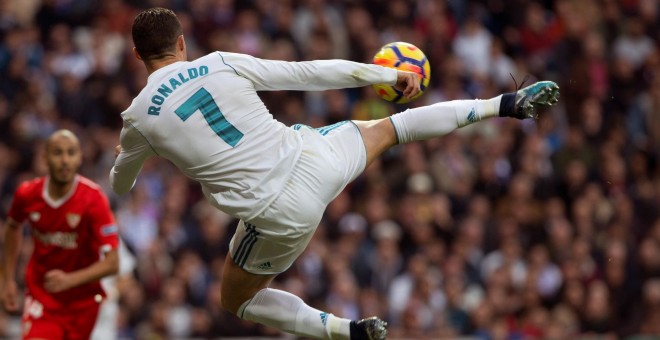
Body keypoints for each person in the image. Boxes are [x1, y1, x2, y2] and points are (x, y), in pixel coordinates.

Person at [111, 8, 559, 340]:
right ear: (183, 42)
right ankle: (501, 105)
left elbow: (121, 185)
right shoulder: (222, 61)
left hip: (278, 211)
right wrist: (379, 72)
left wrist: (127, 154)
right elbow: (309, 73)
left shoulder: (138, 119)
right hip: (314, 156)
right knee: (392, 127)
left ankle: (345, 331)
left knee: (236, 300)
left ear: (136, 54)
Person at [2, 130, 120, 340]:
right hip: (42, 296)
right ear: (45, 158)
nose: (64, 160)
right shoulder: (27, 194)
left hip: (82, 303)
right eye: (57, 153)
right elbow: (12, 227)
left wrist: (70, 280)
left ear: (79, 158)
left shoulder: (94, 199)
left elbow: (112, 264)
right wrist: (7, 278)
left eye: (71, 153)